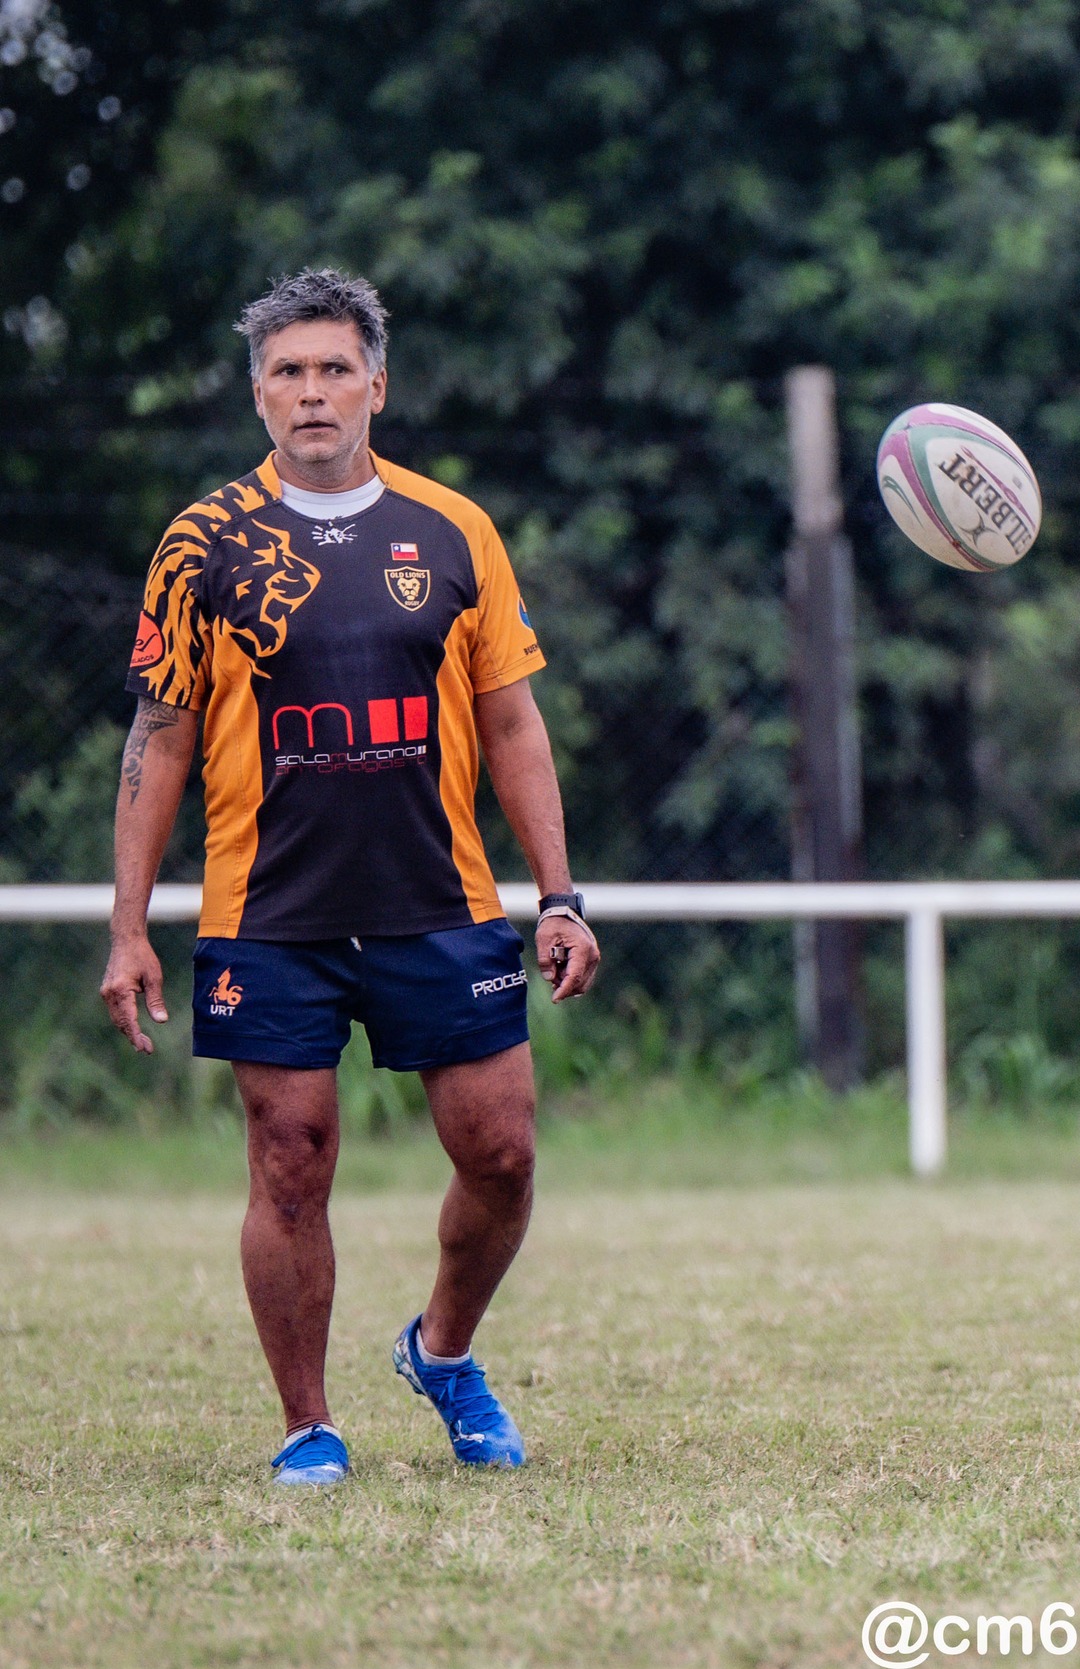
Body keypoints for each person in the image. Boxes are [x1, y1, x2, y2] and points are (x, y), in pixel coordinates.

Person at [98, 268, 601, 1487]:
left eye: (334, 369)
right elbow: (157, 740)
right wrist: (129, 927)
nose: (312, 391)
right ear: (256, 394)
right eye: (287, 371)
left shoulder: (453, 529)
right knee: (288, 1161)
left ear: (379, 383)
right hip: (271, 913)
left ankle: (440, 1352)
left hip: (439, 901)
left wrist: (560, 891)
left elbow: (515, 723)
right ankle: (307, 1425)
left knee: (503, 1153)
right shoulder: (203, 543)